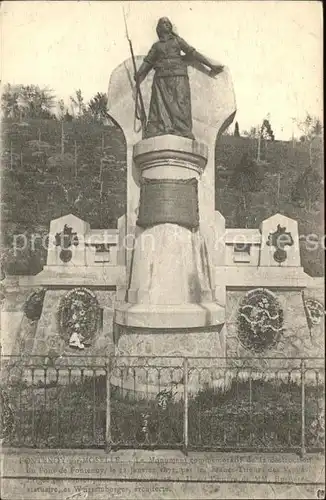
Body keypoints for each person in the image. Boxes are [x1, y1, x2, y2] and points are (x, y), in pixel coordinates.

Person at [135, 17, 224, 140]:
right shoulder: (156, 46)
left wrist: (210, 65)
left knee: (181, 103)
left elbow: (193, 53)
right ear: (159, 28)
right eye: (163, 23)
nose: (166, 24)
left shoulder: (177, 41)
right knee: (160, 106)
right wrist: (139, 73)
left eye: (168, 23)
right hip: (161, 79)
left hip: (179, 76)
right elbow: (148, 61)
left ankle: (183, 129)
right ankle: (162, 128)